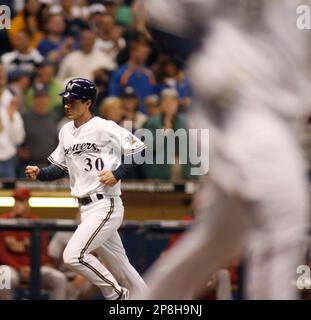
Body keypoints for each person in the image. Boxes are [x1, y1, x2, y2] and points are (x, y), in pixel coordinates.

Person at [133, 0, 310, 299]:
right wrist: (202, 60)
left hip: (282, 114)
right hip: (238, 106)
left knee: (221, 237)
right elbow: (161, 13)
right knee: (286, 217)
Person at [25, 77, 147, 300]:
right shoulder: (65, 131)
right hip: (86, 208)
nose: (67, 104)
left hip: (105, 204)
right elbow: (59, 168)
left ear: (88, 103)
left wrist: (117, 173)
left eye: (73, 101)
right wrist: (41, 173)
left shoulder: (103, 126)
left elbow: (139, 151)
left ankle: (117, 296)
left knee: (73, 255)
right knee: (122, 268)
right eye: (66, 100)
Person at [0, 188, 67, 300]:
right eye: (15, 200)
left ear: (28, 203)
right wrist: (19, 268)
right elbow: (1, 254)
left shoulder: (36, 222)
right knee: (3, 276)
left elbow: (44, 254)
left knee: (59, 278)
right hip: (12, 268)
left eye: (21, 201)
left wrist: (32, 268)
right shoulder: (3, 221)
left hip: (34, 268)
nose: (17, 204)